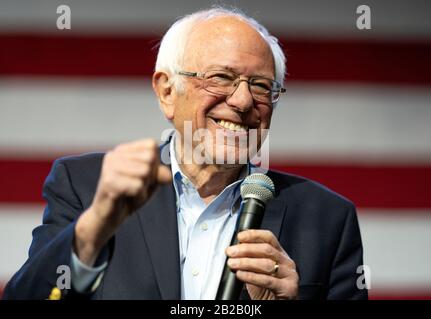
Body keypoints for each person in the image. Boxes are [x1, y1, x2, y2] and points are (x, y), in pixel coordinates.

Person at [3, 7, 367, 300]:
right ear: (166, 91)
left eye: (260, 85)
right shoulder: (87, 187)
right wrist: (90, 232)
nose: (242, 101)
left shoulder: (328, 218)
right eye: (221, 78)